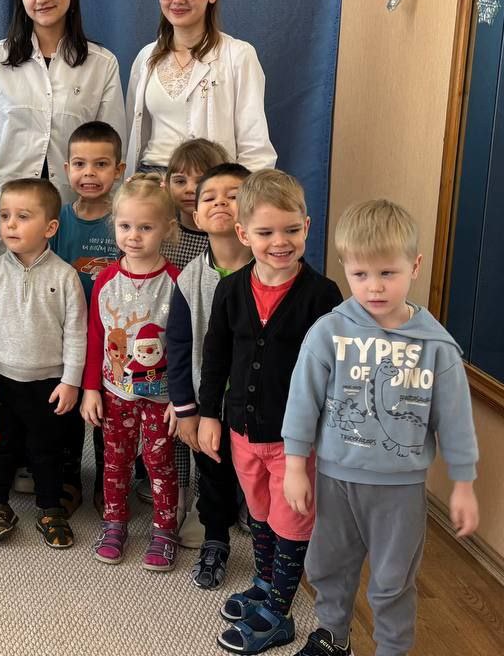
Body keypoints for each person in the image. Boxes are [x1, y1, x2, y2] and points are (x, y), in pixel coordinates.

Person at [281, 200, 479, 656]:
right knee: (328, 566)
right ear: (346, 268)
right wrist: (294, 466)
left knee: (393, 580)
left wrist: (464, 484)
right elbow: (302, 402)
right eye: (360, 274)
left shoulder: (437, 347)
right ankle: (333, 636)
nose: (374, 287)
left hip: (400, 489)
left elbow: (455, 421)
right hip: (336, 479)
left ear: (415, 266)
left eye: (388, 273)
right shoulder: (328, 332)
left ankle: (392, 648)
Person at [196, 169, 343, 655]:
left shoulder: (322, 295)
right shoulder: (231, 289)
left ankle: (279, 612)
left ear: (307, 226)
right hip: (242, 428)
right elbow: (216, 355)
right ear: (243, 234)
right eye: (265, 232)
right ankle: (264, 583)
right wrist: (210, 414)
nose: (280, 242)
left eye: (291, 230)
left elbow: (333, 370)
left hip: (294, 439)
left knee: (290, 520)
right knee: (259, 512)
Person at [0, 0, 126, 262]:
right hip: (6, 217)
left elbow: (113, 151)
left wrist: (114, 219)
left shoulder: (102, 64)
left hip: (76, 218)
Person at [0, 178, 85, 549]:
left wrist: (71, 380)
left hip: (49, 384)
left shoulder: (65, 276)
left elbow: (76, 333)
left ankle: (50, 508)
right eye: (5, 216)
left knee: (46, 450)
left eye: (22, 217)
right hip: (0, 379)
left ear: (50, 228)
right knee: (0, 445)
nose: (10, 225)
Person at [80, 175, 182, 571]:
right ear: (114, 225)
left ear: (166, 229)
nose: (134, 236)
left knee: (160, 463)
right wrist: (91, 388)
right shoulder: (106, 279)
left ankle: (164, 530)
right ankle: (114, 522)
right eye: (125, 226)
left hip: (161, 396)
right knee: (115, 461)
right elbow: (95, 336)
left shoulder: (176, 282)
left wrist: (181, 398)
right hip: (115, 391)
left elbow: (186, 344)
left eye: (145, 227)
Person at [166, 162, 253, 590]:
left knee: (259, 471)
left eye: (233, 195)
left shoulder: (272, 271)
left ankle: (257, 519)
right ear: (196, 217)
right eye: (210, 197)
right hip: (209, 403)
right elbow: (178, 347)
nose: (221, 202)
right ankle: (215, 539)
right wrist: (186, 409)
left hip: (259, 403)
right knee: (213, 473)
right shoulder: (189, 278)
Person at [124, 0, 275, 175]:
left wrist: (235, 195)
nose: (177, 0)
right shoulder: (146, 58)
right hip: (150, 185)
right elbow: (131, 138)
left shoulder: (238, 56)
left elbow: (256, 150)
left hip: (209, 183)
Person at [49, 119, 127, 514]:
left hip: (114, 336)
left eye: (101, 164)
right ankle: (68, 477)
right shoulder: (59, 220)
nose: (89, 174)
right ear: (67, 169)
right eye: (80, 164)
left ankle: (107, 479)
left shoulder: (124, 220)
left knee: (106, 412)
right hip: (69, 333)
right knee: (68, 408)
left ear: (119, 170)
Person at [162, 138, 231, 271]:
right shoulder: (160, 229)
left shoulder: (229, 235)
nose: (190, 189)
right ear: (167, 184)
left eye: (201, 181)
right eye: (180, 181)